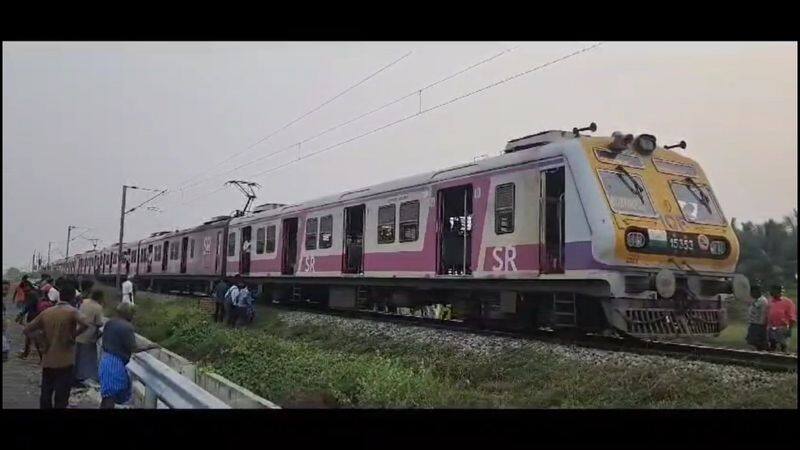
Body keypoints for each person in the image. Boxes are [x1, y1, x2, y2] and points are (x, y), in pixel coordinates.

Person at [23, 282, 90, 409]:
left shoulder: (47, 312)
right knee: (61, 396)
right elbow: (86, 323)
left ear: (60, 296)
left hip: (48, 360)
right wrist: (73, 335)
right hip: (65, 361)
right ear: (72, 298)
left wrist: (41, 340)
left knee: (46, 394)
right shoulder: (72, 311)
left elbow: (27, 330)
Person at [98, 303, 158, 408]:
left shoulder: (110, 323)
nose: (133, 316)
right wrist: (150, 346)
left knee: (107, 394)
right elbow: (134, 348)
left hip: (105, 359)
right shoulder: (127, 327)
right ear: (128, 314)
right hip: (115, 363)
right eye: (132, 314)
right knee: (111, 395)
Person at [74, 290, 105, 386]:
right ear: (100, 298)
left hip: (78, 332)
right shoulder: (98, 307)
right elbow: (99, 323)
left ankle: (75, 376)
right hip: (88, 335)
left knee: (77, 356)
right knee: (87, 358)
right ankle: (84, 377)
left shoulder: (84, 301)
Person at [766, 284, 797, 353]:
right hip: (772, 327)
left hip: (783, 327)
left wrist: (789, 328)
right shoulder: (770, 302)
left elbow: (792, 316)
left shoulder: (787, 302)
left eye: (774, 291)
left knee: (783, 345)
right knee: (772, 345)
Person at [745, 284, 770, 351]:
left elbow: (756, 309)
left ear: (757, 291)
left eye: (752, 292)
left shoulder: (761, 300)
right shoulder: (757, 300)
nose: (751, 294)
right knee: (754, 343)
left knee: (756, 343)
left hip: (758, 325)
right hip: (755, 324)